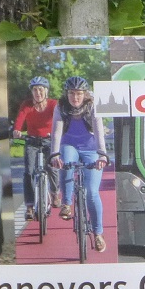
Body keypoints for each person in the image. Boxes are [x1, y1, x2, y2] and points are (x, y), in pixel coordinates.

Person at [50, 76, 109, 253]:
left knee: (92, 193)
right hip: (69, 145)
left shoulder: (92, 106)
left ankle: (98, 234)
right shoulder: (61, 107)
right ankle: (66, 203)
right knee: (66, 162)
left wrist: (102, 154)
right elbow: (56, 132)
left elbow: (98, 130)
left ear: (85, 94)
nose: (75, 97)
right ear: (66, 94)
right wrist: (54, 154)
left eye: (78, 94)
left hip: (91, 148)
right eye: (71, 93)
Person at [13, 76, 57, 223]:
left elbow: (59, 119)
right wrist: (17, 130)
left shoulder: (53, 105)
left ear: (46, 91)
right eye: (35, 90)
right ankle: (30, 206)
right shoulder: (27, 105)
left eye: (40, 89)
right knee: (29, 171)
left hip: (49, 141)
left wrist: (60, 132)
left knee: (52, 167)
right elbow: (20, 117)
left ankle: (55, 193)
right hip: (31, 141)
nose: (38, 93)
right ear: (32, 92)